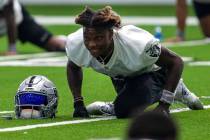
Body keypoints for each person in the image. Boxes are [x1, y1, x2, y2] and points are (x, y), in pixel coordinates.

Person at [65, 6, 203, 118]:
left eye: (99, 38)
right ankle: (119, 105)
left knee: (123, 110)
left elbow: (176, 62)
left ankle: (176, 88)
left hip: (154, 73)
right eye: (87, 38)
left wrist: (164, 104)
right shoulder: (76, 42)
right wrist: (78, 102)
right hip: (123, 76)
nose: (92, 44)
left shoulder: (137, 44)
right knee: (125, 107)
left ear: (111, 34)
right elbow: (73, 66)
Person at [0, 0, 66, 55]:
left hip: (18, 20)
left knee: (55, 46)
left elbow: (10, 16)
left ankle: (68, 41)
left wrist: (12, 49)